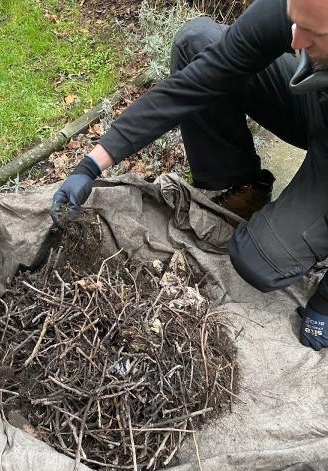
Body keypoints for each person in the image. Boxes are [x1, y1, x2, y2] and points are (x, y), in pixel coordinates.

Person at [50, 0, 328, 351]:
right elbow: (199, 80)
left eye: (313, 31)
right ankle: (243, 188)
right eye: (295, 22)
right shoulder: (297, 13)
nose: (296, 38)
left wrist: (326, 302)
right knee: (197, 41)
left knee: (260, 259)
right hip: (314, 99)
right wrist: (91, 164)